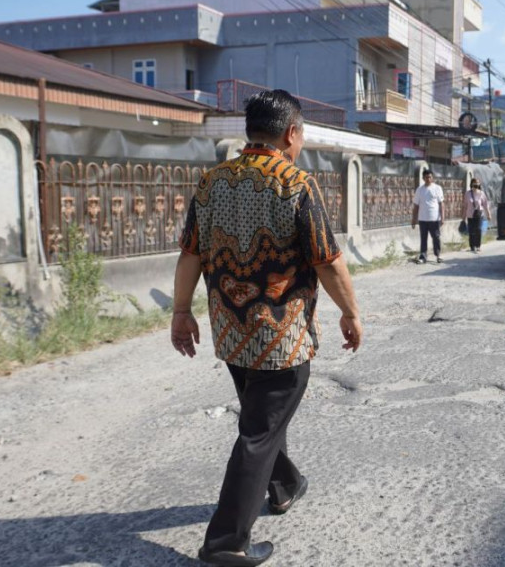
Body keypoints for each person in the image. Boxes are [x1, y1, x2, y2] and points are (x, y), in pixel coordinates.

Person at [170, 89, 363, 567]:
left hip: (231, 331)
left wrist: (180, 312)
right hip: (283, 338)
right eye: (301, 136)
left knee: (261, 419)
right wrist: (351, 313)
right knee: (259, 430)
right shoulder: (297, 184)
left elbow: (190, 253)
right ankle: (225, 543)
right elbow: (328, 262)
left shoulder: (211, 182)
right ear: (291, 133)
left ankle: (285, 485)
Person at [411, 169, 444, 264]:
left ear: (432, 178)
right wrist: (414, 219)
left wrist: (443, 218)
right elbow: (416, 205)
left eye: (430, 177)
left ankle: (438, 255)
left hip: (434, 219)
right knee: (423, 238)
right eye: (426, 177)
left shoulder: (437, 188)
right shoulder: (419, 190)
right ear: (423, 178)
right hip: (423, 219)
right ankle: (423, 256)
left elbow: (441, 204)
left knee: (436, 237)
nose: (428, 179)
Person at [462, 177, 491, 252]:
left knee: (478, 229)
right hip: (470, 215)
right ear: (471, 184)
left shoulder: (482, 193)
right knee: (471, 230)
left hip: (479, 215)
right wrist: (463, 217)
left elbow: (485, 205)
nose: (476, 185)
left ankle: (478, 245)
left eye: (477, 183)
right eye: (474, 183)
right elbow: (465, 206)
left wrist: (488, 214)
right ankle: (472, 246)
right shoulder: (468, 194)